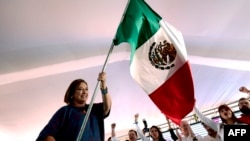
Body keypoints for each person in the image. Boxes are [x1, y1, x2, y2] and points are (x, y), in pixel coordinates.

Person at [36, 72, 112, 141]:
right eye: (80, 89)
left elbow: (107, 107)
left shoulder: (93, 109)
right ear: (72, 94)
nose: (84, 92)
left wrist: (103, 86)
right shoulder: (65, 111)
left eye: (86, 89)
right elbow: (47, 134)